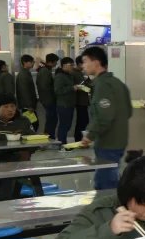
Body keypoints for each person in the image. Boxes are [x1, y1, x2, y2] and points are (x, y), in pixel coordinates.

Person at [78, 46, 132, 189]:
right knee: (110, 178)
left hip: (108, 142)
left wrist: (90, 135)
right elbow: (128, 112)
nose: (83, 65)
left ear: (96, 62)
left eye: (85, 61)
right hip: (119, 140)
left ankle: (112, 204)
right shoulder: (118, 83)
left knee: (105, 186)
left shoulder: (103, 85)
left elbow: (104, 116)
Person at [0, 92, 35, 198]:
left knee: (12, 166)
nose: (10, 110)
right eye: (6, 107)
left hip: (17, 160)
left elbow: (33, 140)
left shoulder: (23, 121)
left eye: (12, 106)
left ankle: (6, 198)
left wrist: (26, 146)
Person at [54, 57, 77, 143]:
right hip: (63, 105)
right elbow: (57, 90)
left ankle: (63, 142)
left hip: (70, 104)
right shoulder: (59, 76)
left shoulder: (69, 75)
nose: (72, 67)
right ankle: (62, 143)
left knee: (68, 125)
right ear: (64, 65)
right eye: (71, 65)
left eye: (73, 65)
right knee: (64, 125)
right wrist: (72, 88)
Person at [37, 53, 59, 139]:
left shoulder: (45, 70)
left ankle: (49, 137)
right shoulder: (45, 71)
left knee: (51, 119)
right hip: (48, 99)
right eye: (56, 62)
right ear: (51, 62)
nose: (56, 64)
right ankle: (49, 137)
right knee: (51, 120)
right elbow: (44, 87)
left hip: (47, 99)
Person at [72, 55, 91, 141]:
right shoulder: (74, 73)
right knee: (82, 121)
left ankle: (79, 138)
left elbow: (84, 84)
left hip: (84, 100)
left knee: (84, 120)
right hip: (79, 101)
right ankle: (78, 138)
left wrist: (88, 79)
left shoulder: (80, 73)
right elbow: (76, 86)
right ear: (79, 64)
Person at [15, 54, 37, 120]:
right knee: (32, 122)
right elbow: (25, 91)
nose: (33, 63)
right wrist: (29, 106)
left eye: (33, 62)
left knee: (33, 122)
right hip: (26, 106)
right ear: (25, 62)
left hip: (27, 105)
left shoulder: (26, 72)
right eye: (31, 62)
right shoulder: (23, 74)